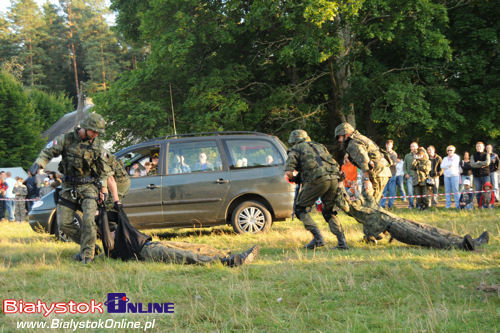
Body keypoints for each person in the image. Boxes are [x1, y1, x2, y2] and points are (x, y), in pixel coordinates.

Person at [29, 112, 110, 264]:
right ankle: (89, 246)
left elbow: (104, 169)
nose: (96, 135)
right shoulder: (66, 139)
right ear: (85, 128)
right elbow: (47, 152)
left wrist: (104, 189)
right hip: (68, 187)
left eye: (98, 133)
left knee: (88, 220)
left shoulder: (98, 144)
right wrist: (39, 164)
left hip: (89, 187)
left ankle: (87, 255)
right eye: (94, 131)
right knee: (64, 224)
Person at [334, 186, 489, 251]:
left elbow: (368, 195)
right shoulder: (355, 210)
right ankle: (462, 246)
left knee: (434, 230)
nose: (352, 195)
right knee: (429, 238)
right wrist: (341, 188)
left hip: (399, 220)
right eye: (349, 195)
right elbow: (345, 204)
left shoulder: (366, 202)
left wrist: (358, 188)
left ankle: (473, 241)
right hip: (394, 228)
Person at [285, 129, 347, 250]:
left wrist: (295, 179)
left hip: (317, 180)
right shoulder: (319, 146)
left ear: (294, 140)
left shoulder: (296, 149)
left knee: (300, 209)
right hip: (334, 178)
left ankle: (318, 238)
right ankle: (342, 243)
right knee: (329, 211)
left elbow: (288, 172)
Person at [334, 123, 392, 207]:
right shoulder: (360, 138)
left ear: (345, 134)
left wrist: (366, 180)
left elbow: (364, 162)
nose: (339, 140)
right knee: (371, 202)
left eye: (339, 137)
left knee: (369, 204)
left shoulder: (353, 143)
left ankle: (377, 219)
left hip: (377, 172)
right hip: (381, 171)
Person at [470, 141, 490, 206]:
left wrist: (478, 163)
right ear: (476, 148)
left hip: (485, 175)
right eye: (477, 146)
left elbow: (487, 163)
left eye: (480, 146)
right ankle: (480, 205)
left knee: (487, 191)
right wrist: (482, 164)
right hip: (476, 176)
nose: (478, 147)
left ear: (483, 147)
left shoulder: (486, 154)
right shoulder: (473, 155)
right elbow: (472, 164)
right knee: (478, 191)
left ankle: (486, 205)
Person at [380, 140, 398, 209]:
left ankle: (391, 205)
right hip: (384, 174)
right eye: (387, 144)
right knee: (384, 190)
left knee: (392, 191)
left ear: (392, 146)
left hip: (392, 174)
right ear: (385, 145)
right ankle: (382, 205)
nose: (388, 146)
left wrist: (387, 163)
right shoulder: (383, 153)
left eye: (389, 145)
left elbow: (395, 163)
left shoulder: (394, 154)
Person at [403, 142, 419, 208]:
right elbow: (404, 166)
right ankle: (411, 205)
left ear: (417, 147)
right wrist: (406, 173)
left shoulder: (420, 154)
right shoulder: (407, 156)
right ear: (410, 148)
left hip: (418, 177)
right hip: (409, 176)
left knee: (417, 192)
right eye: (412, 146)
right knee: (410, 192)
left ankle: (418, 205)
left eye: (414, 146)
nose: (413, 148)